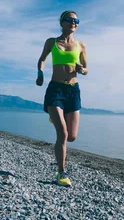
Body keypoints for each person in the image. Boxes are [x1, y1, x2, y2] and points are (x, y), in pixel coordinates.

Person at [36, 10, 88, 187]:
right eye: (69, 19)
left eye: (76, 20)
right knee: (63, 134)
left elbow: (87, 69)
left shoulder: (81, 45)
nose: (73, 22)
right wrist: (40, 74)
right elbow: (41, 60)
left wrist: (82, 69)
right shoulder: (52, 42)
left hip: (73, 91)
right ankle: (61, 172)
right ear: (61, 22)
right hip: (55, 89)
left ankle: (56, 117)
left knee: (72, 137)